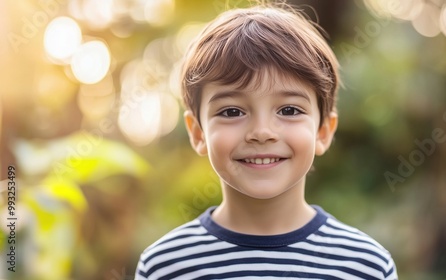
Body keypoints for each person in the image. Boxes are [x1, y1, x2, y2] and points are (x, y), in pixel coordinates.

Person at [135, 2, 398, 279]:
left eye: (289, 110)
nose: (262, 132)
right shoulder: (165, 266)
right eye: (232, 111)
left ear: (323, 131)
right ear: (198, 133)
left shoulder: (366, 266)